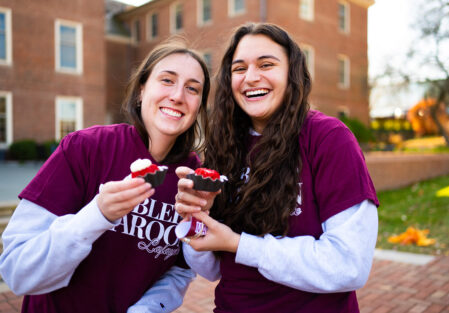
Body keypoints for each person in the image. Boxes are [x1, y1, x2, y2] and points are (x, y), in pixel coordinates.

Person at [174, 23, 379, 313]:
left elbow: (349, 265)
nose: (251, 78)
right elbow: (211, 269)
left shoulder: (328, 139)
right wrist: (195, 218)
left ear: (291, 73)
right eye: (239, 68)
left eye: (266, 64)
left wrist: (240, 244)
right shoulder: (224, 146)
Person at [0, 40, 211, 313]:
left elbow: (181, 271)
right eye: (167, 80)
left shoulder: (194, 180)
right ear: (141, 91)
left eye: (192, 88)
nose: (178, 95)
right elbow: (18, 271)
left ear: (198, 108)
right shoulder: (84, 148)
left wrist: (146, 310)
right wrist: (98, 215)